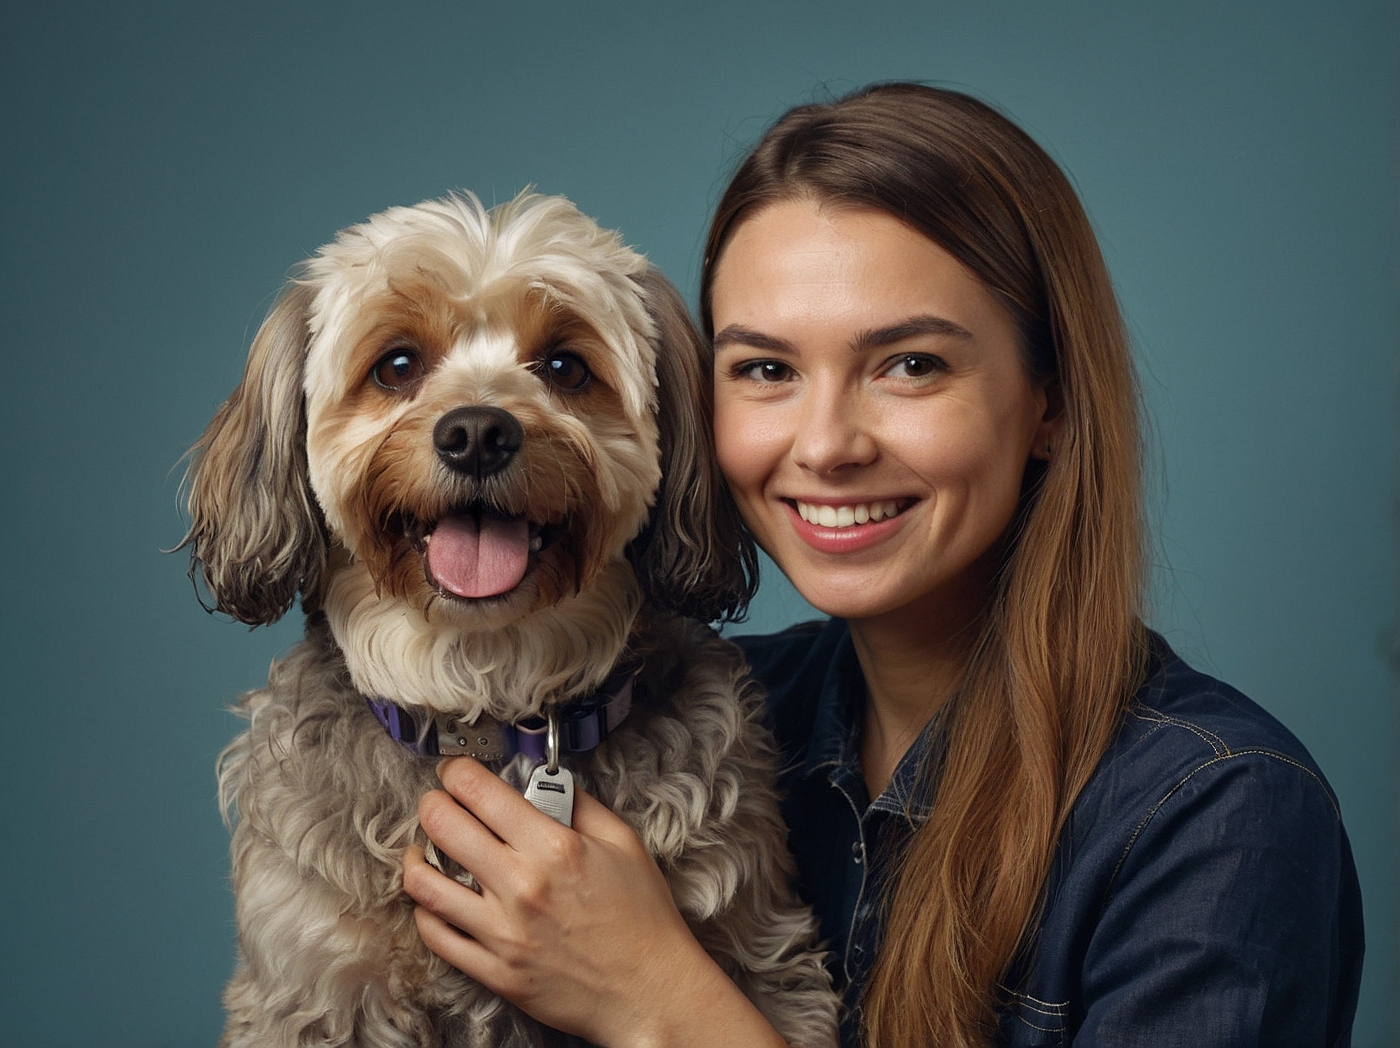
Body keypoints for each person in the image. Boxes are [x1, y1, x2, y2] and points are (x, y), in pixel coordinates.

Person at [403, 83, 1364, 1047]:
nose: (825, 446)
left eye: (910, 365)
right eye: (767, 371)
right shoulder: (689, 720)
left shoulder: (1218, 816)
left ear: (1052, 404)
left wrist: (658, 1001)